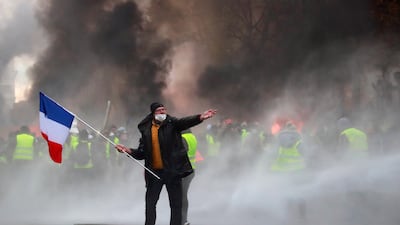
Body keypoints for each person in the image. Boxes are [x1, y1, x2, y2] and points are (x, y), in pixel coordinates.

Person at [115, 102, 217, 225]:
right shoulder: (147, 130)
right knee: (150, 205)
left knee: (176, 205)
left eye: (164, 109)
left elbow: (184, 122)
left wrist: (200, 117)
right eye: (159, 110)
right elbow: (142, 153)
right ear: (153, 113)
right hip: (154, 173)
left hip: (173, 172)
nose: (163, 112)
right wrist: (128, 150)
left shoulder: (172, 124)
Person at [181, 129, 198, 225]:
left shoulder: (182, 138)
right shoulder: (192, 137)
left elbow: (182, 153)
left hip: (184, 170)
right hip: (191, 169)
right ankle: (183, 219)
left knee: (181, 196)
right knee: (183, 195)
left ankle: (182, 220)